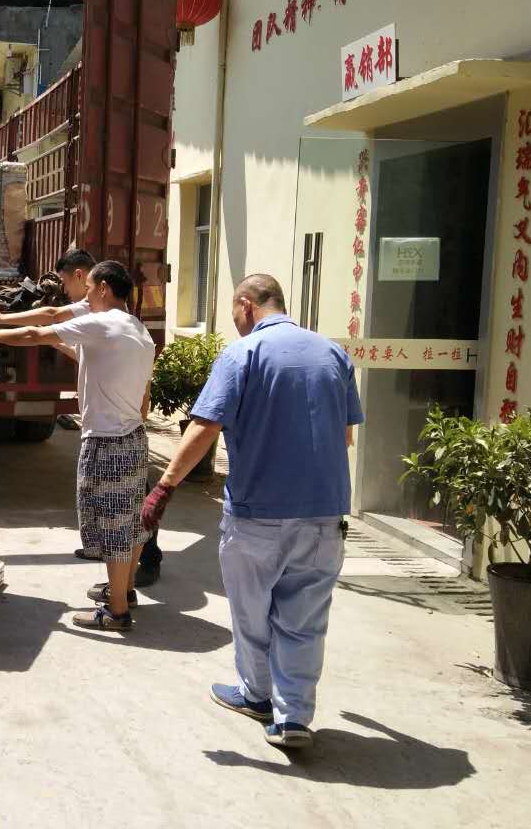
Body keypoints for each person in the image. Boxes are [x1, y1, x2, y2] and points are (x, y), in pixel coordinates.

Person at [141, 274, 363, 749]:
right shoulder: (333, 354)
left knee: (251, 612)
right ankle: (293, 717)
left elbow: (204, 426)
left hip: (257, 513)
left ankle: (257, 695)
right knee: (304, 621)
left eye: (234, 313)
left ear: (246, 305)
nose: (236, 322)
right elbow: (345, 435)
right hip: (324, 514)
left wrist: (164, 486)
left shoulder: (242, 354)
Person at [0, 260, 155, 631]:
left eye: (89, 288)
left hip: (107, 442)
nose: (85, 295)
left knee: (111, 527)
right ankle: (123, 591)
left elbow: (37, 331)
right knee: (132, 523)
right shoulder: (138, 331)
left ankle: (117, 613)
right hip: (134, 439)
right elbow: (142, 397)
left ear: (104, 288)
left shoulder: (100, 323)